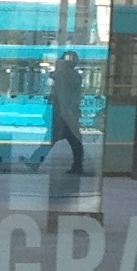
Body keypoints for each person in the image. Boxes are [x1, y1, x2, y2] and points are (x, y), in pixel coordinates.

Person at [44, 45, 88, 179]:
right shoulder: (74, 75)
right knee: (74, 141)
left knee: (56, 139)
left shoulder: (65, 75)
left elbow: (61, 93)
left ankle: (35, 161)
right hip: (69, 113)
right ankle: (77, 165)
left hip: (65, 114)